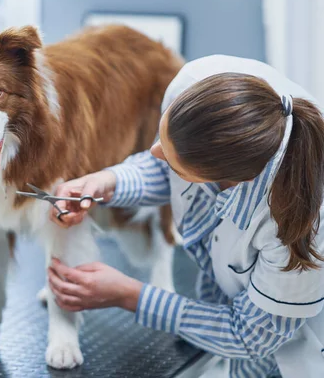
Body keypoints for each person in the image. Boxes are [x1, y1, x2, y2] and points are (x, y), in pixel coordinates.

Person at [47, 55, 324, 378]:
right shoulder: (195, 87)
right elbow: (165, 166)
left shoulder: (301, 226)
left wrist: (129, 295)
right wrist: (109, 182)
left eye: (172, 158)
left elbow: (248, 335)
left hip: (295, 355)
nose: (154, 153)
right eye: (162, 137)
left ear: (222, 179)